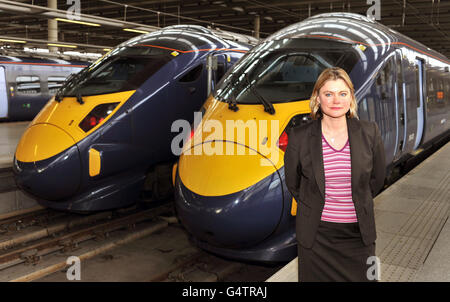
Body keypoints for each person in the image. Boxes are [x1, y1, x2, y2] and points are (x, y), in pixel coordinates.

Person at [284, 67, 386, 282]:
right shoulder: (300, 136)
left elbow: (377, 179)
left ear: (351, 97)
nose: (336, 100)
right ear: (317, 98)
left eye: (343, 93)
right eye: (328, 94)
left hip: (359, 236)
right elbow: (293, 183)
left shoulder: (369, 132)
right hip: (316, 237)